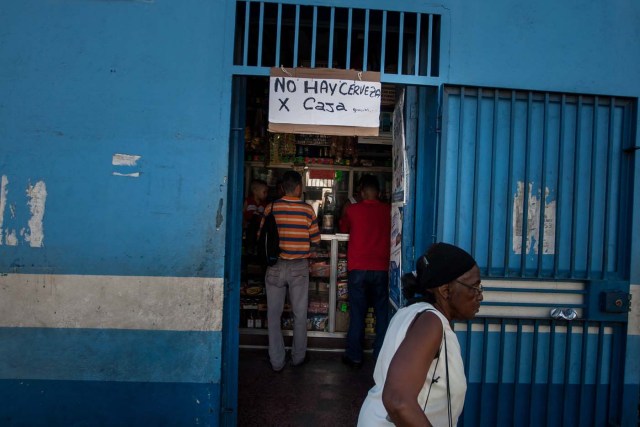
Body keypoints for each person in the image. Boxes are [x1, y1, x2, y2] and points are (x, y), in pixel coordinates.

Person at [358, 242, 483, 426]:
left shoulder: (413, 311)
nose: (480, 295)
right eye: (474, 287)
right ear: (445, 290)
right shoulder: (431, 323)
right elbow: (398, 400)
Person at [259, 170, 321, 372]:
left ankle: (276, 361)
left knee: (273, 316)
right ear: (298, 188)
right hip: (299, 268)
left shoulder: (271, 207)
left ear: (281, 188)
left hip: (275, 267)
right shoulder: (307, 210)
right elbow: (316, 241)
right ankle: (297, 357)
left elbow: (262, 236)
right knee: (300, 315)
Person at [339, 174, 391, 367]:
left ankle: (354, 356)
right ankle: (381, 356)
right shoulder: (388, 210)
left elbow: (343, 228)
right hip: (381, 269)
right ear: (378, 192)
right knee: (382, 314)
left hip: (358, 269)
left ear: (361, 193)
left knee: (358, 314)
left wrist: (345, 212)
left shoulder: (353, 210)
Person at [243, 179, 269, 254]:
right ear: (255, 191)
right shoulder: (248, 201)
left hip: (259, 229)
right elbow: (242, 213)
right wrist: (244, 222)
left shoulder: (264, 205)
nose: (266, 194)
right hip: (248, 228)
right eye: (264, 192)